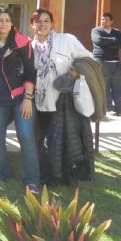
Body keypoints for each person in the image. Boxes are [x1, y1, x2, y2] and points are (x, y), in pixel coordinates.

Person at [0, 7, 40, 194]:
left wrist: (28, 98)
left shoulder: (21, 42)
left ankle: (31, 179)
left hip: (20, 98)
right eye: (0, 20)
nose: (4, 23)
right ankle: (1, 173)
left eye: (7, 20)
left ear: (12, 23)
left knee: (25, 136)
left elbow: (31, 73)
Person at [30, 8, 92, 149]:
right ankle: (43, 168)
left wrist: (76, 72)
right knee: (40, 140)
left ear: (52, 24)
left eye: (46, 21)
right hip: (38, 102)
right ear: (32, 25)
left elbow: (88, 58)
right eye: (38, 21)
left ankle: (63, 170)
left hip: (62, 101)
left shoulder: (66, 39)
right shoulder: (30, 47)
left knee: (61, 142)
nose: (42, 24)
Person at [91, 12, 121, 116]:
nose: (103, 21)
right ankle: (108, 108)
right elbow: (98, 40)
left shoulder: (117, 32)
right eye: (102, 19)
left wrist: (106, 44)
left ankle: (119, 109)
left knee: (118, 87)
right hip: (102, 61)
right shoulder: (96, 30)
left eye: (106, 19)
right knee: (104, 86)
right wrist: (113, 41)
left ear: (111, 21)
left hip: (116, 62)